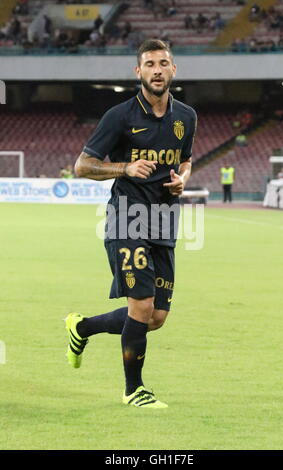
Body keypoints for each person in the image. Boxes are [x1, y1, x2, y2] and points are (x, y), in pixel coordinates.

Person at [65, 39, 197, 409]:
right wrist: (124, 167)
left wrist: (183, 177)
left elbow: (185, 160)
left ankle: (82, 327)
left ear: (174, 70)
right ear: (138, 72)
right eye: (150, 64)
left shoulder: (186, 116)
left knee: (155, 317)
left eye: (164, 63)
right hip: (128, 218)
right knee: (140, 307)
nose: (157, 69)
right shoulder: (120, 116)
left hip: (164, 221)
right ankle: (133, 390)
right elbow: (83, 166)